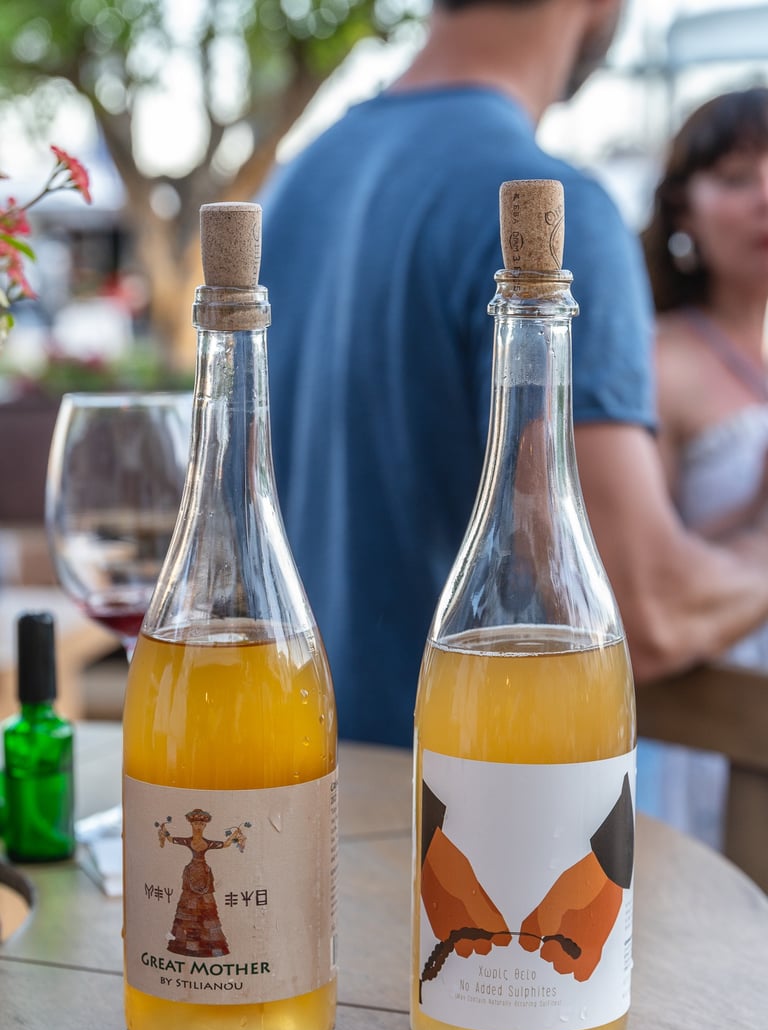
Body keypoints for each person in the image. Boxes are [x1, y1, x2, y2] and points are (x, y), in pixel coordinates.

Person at [259, 0, 768, 749]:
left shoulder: (293, 184)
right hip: (466, 793)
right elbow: (646, 612)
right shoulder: (552, 215)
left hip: (299, 775)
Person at [639, 88, 768, 846]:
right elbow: (639, 577)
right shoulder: (660, 360)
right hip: (709, 713)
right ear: (683, 208)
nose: (765, 198)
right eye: (736, 177)